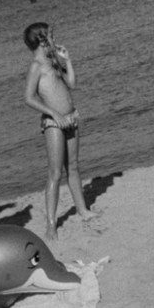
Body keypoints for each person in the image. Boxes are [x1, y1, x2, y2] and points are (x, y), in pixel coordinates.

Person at [23, 22, 96, 238]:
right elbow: (29, 97)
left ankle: (82, 210)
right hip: (54, 124)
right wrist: (54, 114)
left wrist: (68, 60)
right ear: (42, 40)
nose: (54, 40)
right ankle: (51, 224)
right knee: (55, 173)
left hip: (71, 118)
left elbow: (71, 84)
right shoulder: (37, 66)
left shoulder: (54, 61)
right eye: (51, 37)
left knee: (73, 166)